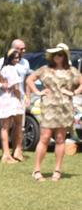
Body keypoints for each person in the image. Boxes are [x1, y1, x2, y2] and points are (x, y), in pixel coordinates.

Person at [26, 42, 82, 182]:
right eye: (56, 54)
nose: (58, 57)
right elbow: (29, 79)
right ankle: (37, 170)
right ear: (52, 56)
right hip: (49, 107)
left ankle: (57, 170)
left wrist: (73, 92)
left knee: (60, 139)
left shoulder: (72, 71)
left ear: (64, 56)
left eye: (61, 54)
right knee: (44, 137)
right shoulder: (45, 69)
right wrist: (38, 92)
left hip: (64, 108)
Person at [0, 37, 30, 160]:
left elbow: (26, 80)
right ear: (13, 49)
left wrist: (27, 95)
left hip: (19, 97)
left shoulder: (25, 63)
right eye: (20, 49)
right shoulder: (3, 61)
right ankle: (6, 154)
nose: (23, 51)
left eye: (24, 48)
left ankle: (17, 151)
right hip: (8, 97)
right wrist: (1, 85)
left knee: (19, 125)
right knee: (6, 125)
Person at [0, 48, 25, 164]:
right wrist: (20, 98)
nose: (17, 59)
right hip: (12, 99)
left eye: (18, 57)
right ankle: (10, 153)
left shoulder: (3, 69)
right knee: (17, 124)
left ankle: (7, 153)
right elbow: (15, 87)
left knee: (4, 127)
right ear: (10, 58)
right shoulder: (12, 69)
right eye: (15, 57)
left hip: (3, 99)